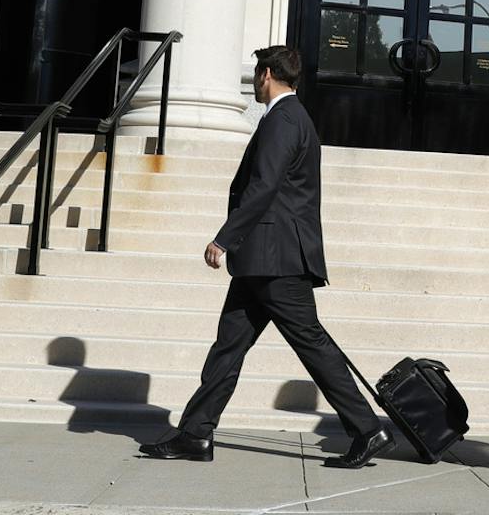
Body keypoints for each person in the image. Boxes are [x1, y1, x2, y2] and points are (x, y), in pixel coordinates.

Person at [139, 46, 391, 469]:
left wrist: (224, 238)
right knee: (228, 347)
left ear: (267, 74)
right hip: (263, 259)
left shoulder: (284, 119)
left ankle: (367, 430)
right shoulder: (291, 118)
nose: (255, 82)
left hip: (276, 259)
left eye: (257, 74)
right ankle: (196, 434)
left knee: (312, 345)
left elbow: (264, 186)